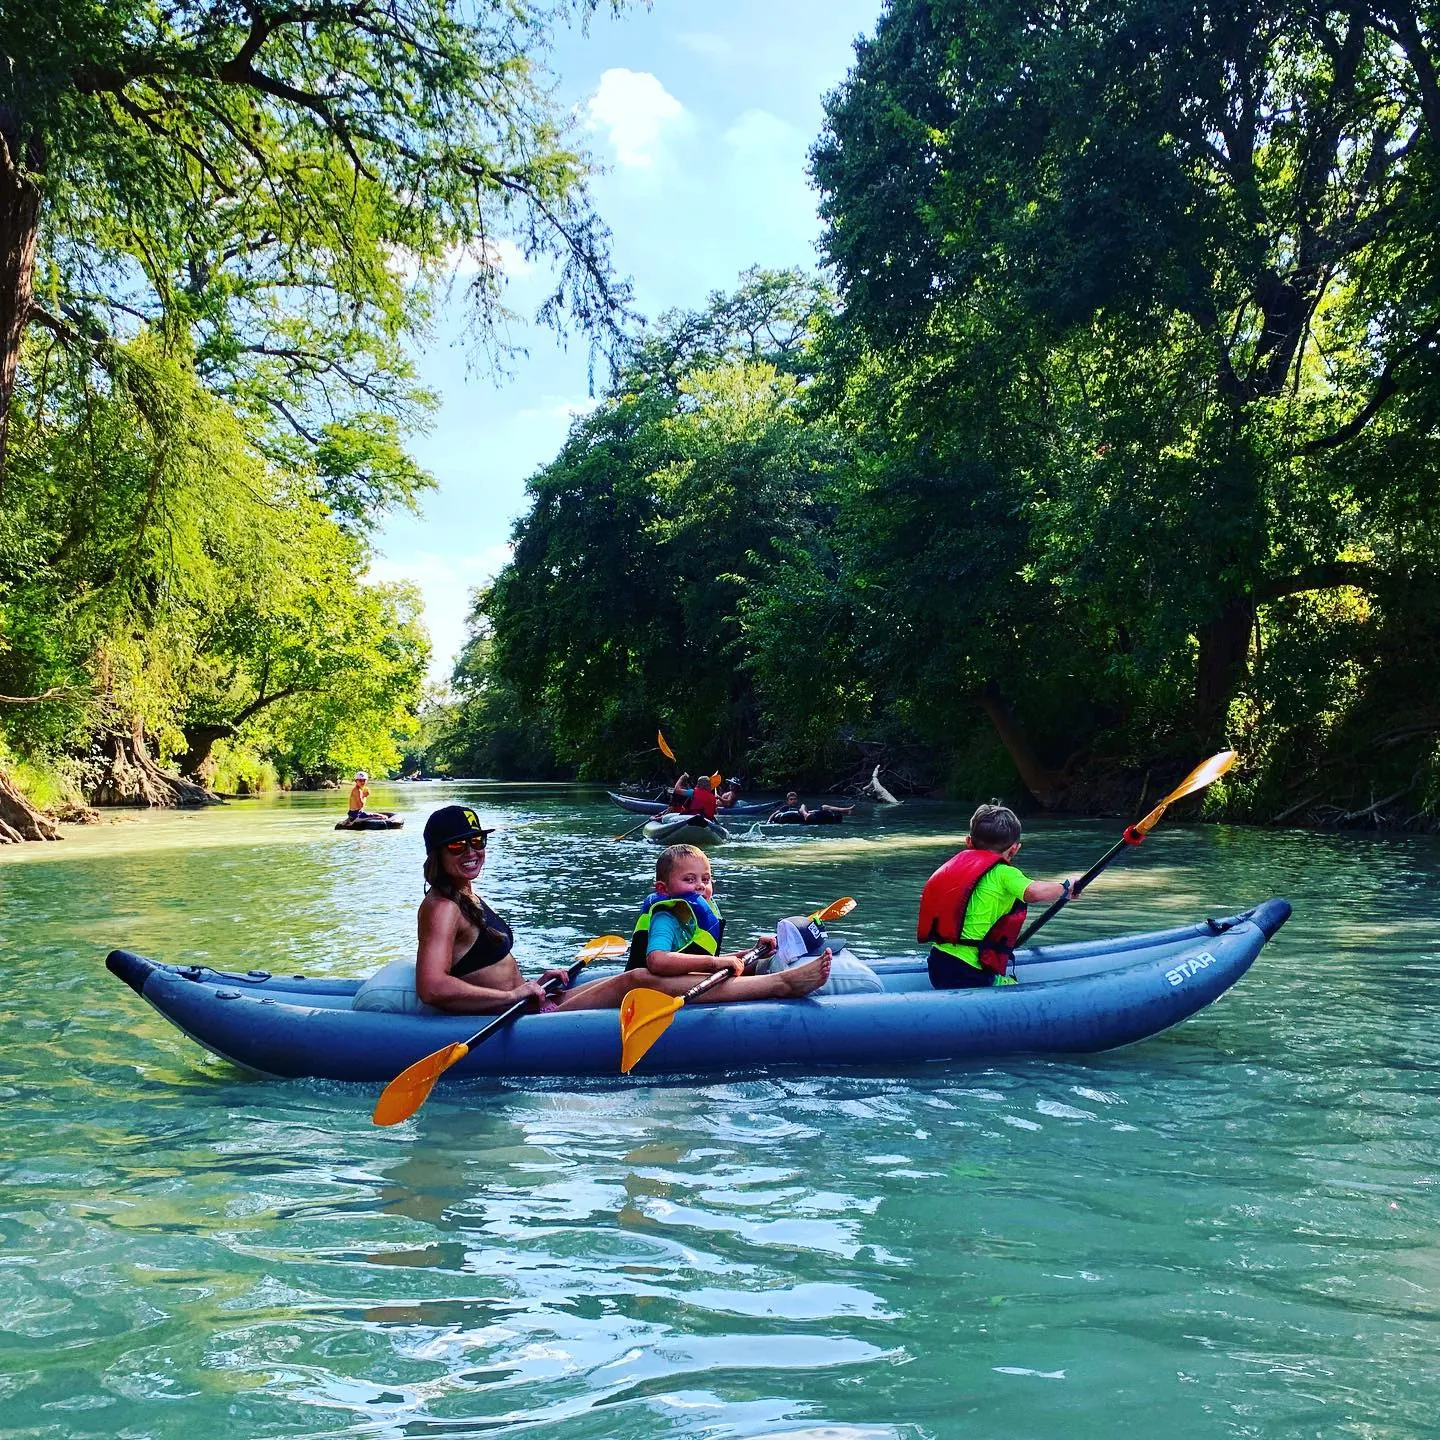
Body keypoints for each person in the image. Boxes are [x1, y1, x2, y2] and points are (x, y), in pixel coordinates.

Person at [354, 805, 677, 1014]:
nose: (471, 851)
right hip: (515, 1014)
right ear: (436, 853)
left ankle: (724, 975)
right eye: (457, 845)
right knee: (637, 979)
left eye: (477, 841)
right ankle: (729, 988)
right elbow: (433, 987)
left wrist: (534, 982)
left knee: (633, 978)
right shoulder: (442, 907)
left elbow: (483, 970)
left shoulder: (465, 893)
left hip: (527, 1002)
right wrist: (512, 996)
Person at [628, 843, 831, 999]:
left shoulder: (694, 916)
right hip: (650, 989)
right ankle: (784, 984)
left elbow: (690, 959)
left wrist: (746, 953)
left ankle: (766, 965)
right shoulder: (666, 918)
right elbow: (657, 961)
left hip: (679, 979)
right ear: (663, 889)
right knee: (722, 977)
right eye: (689, 880)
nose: (700, 886)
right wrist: (715, 962)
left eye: (705, 879)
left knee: (748, 963)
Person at [917, 803, 1080, 989]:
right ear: (1014, 849)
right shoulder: (1004, 873)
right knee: (1011, 985)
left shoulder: (951, 868)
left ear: (968, 842)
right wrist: (1065, 887)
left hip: (938, 962)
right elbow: (1034, 892)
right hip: (970, 971)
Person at [768, 791, 854, 825]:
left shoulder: (799, 806)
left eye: (795, 799)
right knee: (803, 806)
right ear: (788, 801)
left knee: (824, 806)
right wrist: (768, 822)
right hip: (803, 814)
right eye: (791, 799)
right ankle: (806, 815)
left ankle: (845, 810)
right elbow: (774, 814)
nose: (793, 801)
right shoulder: (785, 808)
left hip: (807, 813)